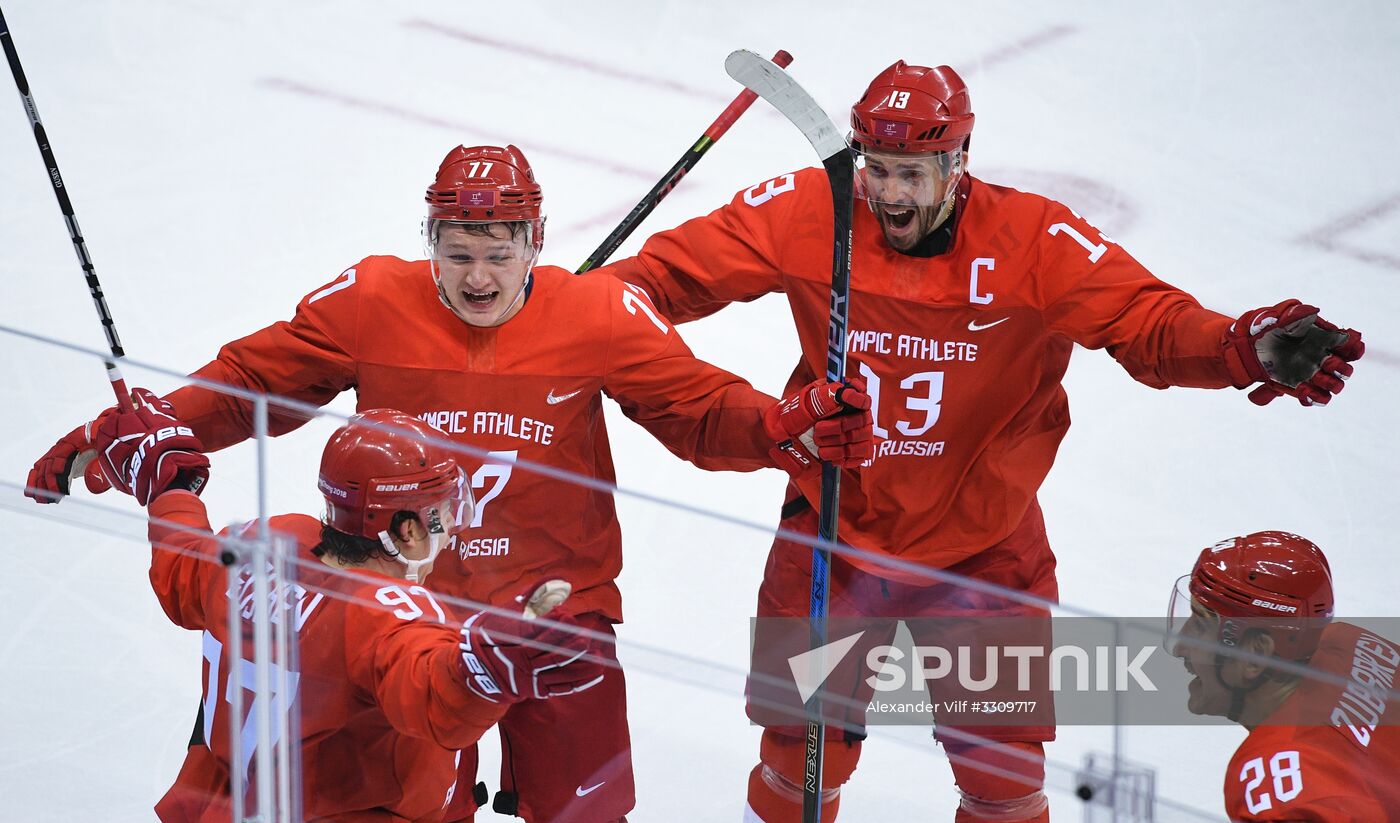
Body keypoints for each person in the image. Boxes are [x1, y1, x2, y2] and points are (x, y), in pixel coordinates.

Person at [596, 61, 1367, 822]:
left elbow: (1150, 323)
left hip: (985, 555)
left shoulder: (1036, 239)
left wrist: (1239, 347)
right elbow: (644, 286)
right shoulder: (808, 210)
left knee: (1003, 779)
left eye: (914, 174)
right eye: (878, 171)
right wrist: (567, 317)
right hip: (834, 532)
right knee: (800, 754)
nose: (892, 195)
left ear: (958, 164)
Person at [26, 144, 872, 823]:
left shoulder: (598, 313)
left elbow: (698, 408)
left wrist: (778, 423)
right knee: (419, 802)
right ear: (427, 240)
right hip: (413, 619)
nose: (477, 278)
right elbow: (252, 377)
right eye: (457, 253)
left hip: (558, 606)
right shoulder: (371, 301)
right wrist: (129, 437)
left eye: (499, 256)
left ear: (535, 243)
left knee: (587, 808)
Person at [94, 397, 603, 822]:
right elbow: (431, 692)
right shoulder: (385, 614)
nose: (451, 533)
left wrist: (171, 492)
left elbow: (183, 575)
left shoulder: (256, 545)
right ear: (407, 529)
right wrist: (485, 673)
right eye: (445, 515)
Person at [1168, 531, 1400, 820]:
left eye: (1202, 626)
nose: (1180, 648)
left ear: (1255, 654)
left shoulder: (1275, 785)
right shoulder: (1355, 643)